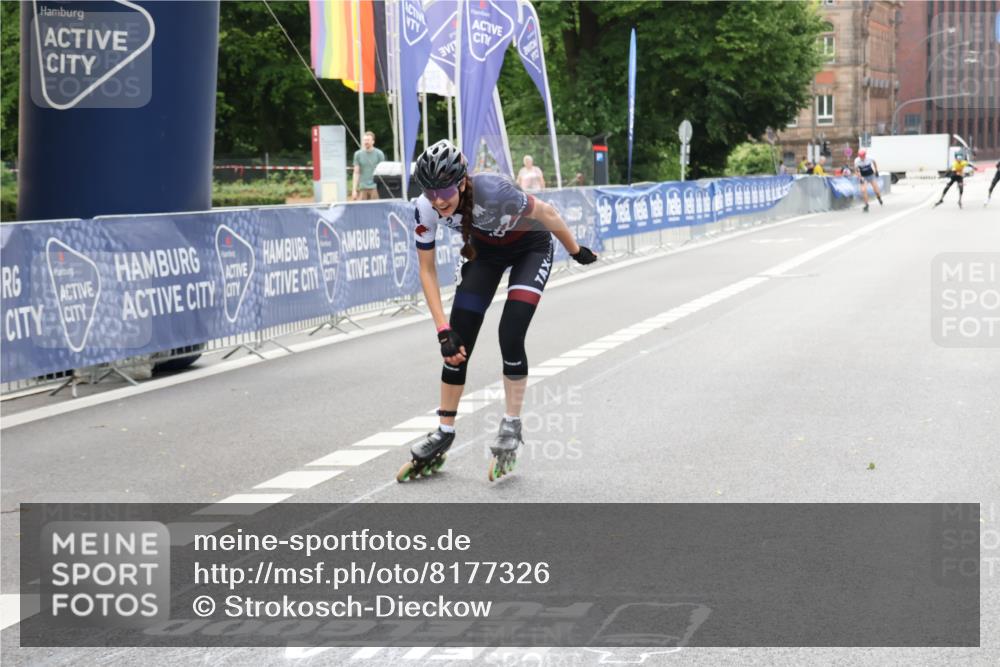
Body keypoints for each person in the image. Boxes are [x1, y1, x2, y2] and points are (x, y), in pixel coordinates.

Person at [397, 140, 597, 483]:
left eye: (444, 190)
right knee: (457, 343)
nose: (438, 200)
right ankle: (444, 430)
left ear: (461, 182)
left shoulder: (493, 191)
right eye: (430, 192)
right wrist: (442, 330)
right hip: (485, 254)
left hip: (529, 247)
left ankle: (512, 424)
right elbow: (426, 271)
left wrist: (575, 251)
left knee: (511, 331)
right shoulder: (426, 208)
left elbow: (547, 214)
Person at [352, 131, 385, 200]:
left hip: (375, 187)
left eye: (368, 140)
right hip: (362, 187)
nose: (366, 142)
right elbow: (356, 172)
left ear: (373, 141)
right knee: (362, 209)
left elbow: (383, 172)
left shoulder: (379, 154)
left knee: (376, 209)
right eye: (364, 140)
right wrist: (354, 190)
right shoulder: (357, 154)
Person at [853, 148, 883, 213]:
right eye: (860, 157)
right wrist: (859, 177)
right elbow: (856, 170)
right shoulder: (857, 161)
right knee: (863, 190)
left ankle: (879, 197)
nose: (862, 158)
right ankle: (866, 205)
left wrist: (876, 170)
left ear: (865, 155)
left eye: (863, 157)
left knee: (876, 190)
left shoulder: (870, 158)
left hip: (871, 175)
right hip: (863, 176)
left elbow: (874, 162)